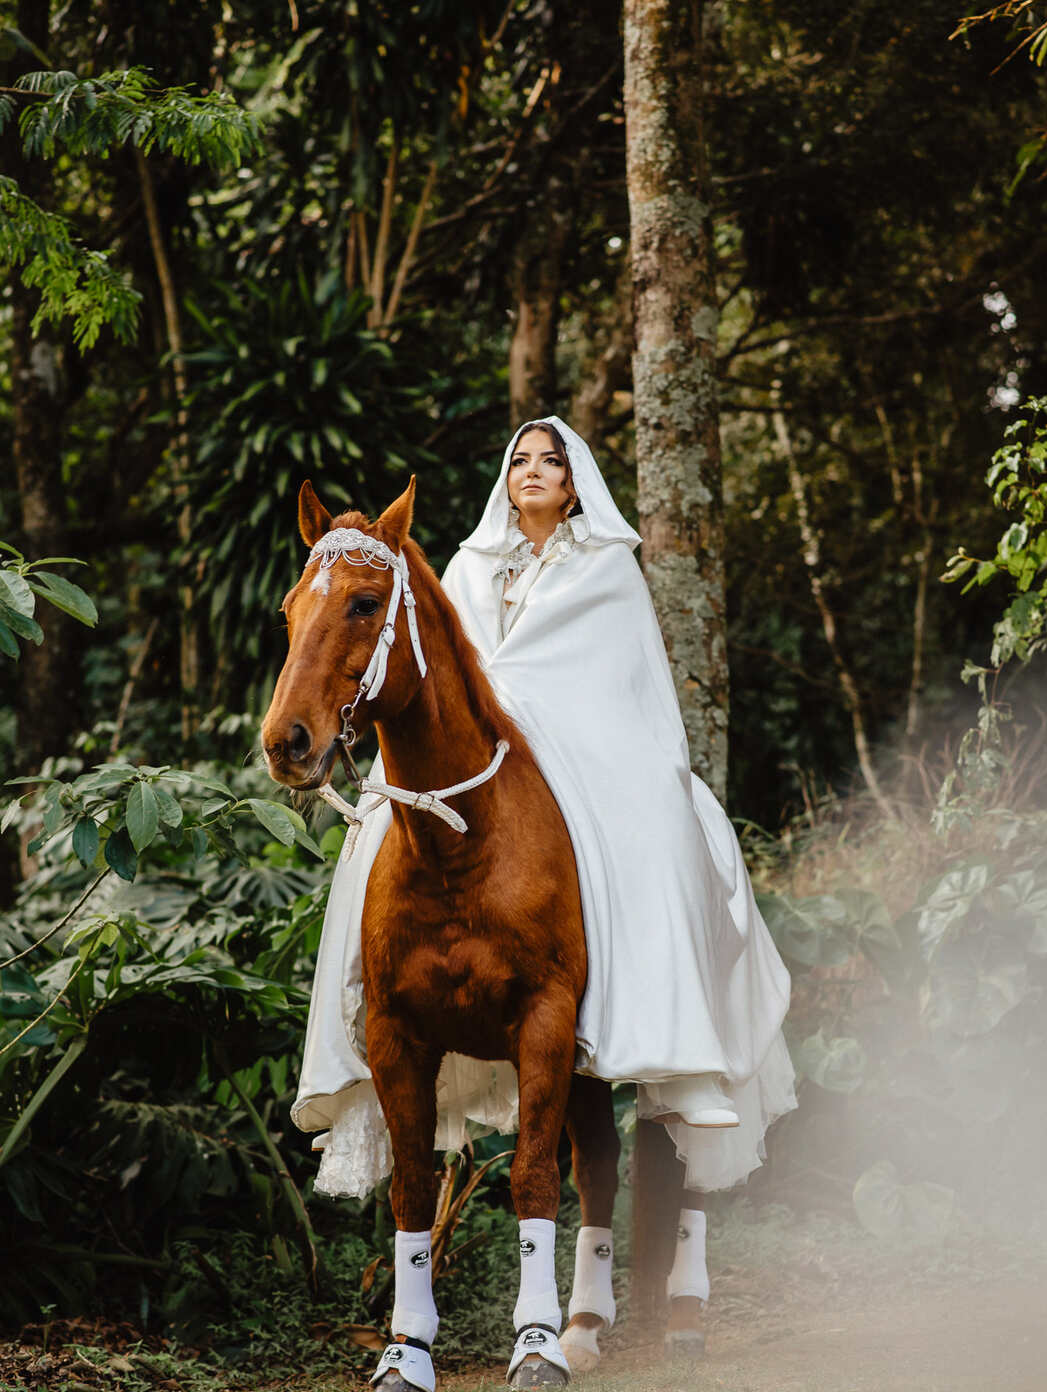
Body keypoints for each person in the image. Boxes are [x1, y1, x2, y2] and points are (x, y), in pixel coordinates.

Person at [292, 416, 795, 1339]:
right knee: (372, 837)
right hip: (484, 756)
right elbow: (442, 674)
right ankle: (348, 1016)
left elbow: (625, 686)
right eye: (519, 460)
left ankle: (667, 1005)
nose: (532, 472)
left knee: (658, 827)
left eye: (550, 461)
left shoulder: (605, 567)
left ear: (575, 482)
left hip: (589, 748)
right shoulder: (469, 567)